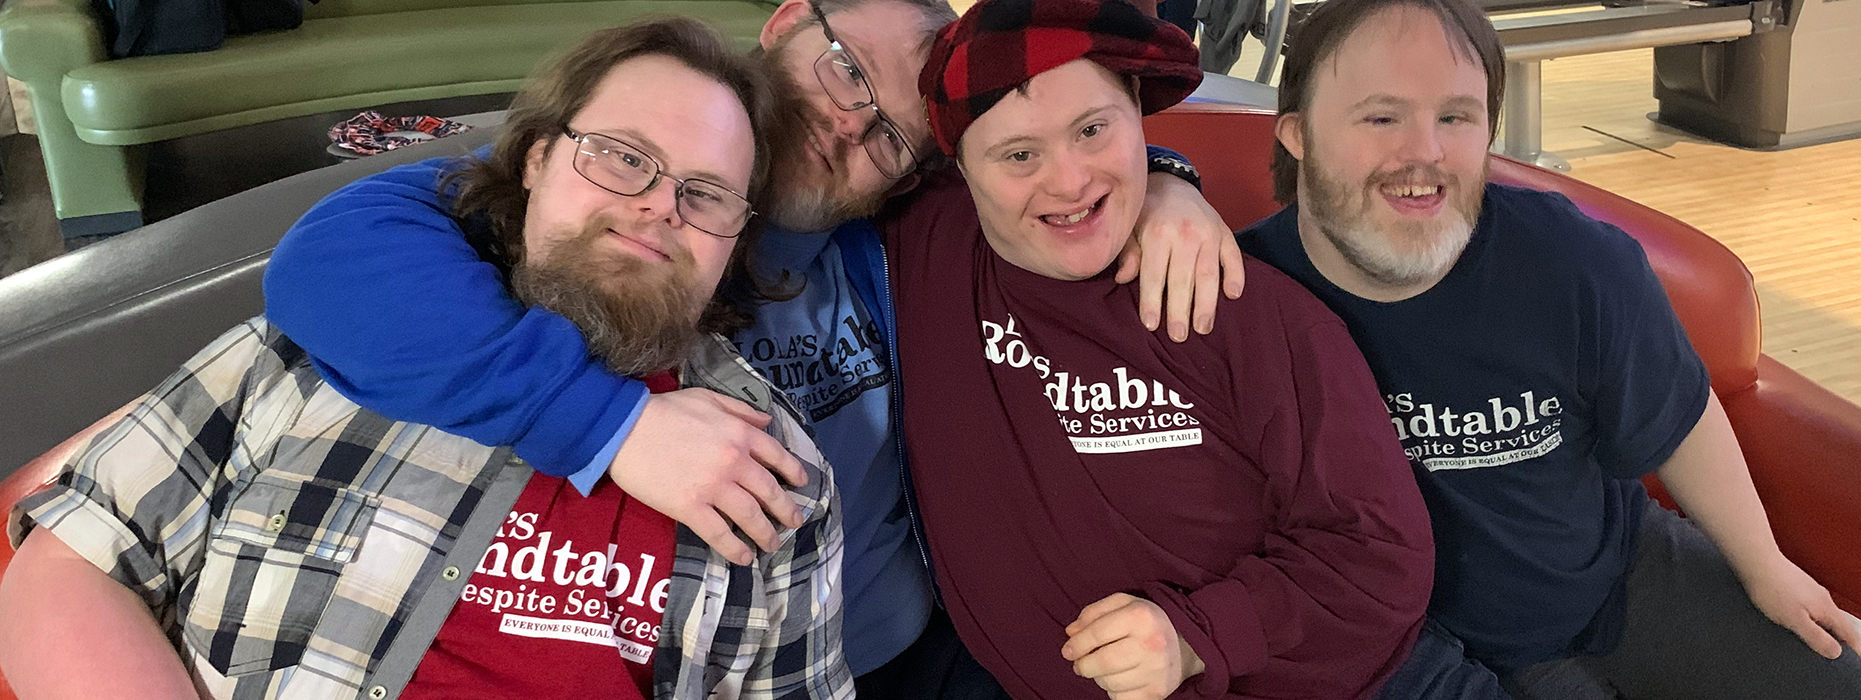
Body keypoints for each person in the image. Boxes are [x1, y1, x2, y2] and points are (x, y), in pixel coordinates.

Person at [251, 0, 1248, 694]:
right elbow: (335, 255)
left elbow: (1038, 168)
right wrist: (610, 424)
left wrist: (1162, 179)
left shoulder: (891, 227)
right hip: (707, 658)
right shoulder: (615, 202)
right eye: (845, 69)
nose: (847, 126)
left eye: (890, 136)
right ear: (784, 24)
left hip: (929, 649)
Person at [0, 17, 850, 700]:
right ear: (537, 160)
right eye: (623, 158)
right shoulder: (337, 332)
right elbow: (71, 564)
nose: (660, 206)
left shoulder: (772, 470)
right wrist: (612, 428)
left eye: (705, 194)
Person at [1234, 0, 1861, 697]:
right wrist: (1171, 187)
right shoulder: (1239, 303)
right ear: (1299, 134)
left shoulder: (1572, 260)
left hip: (1616, 575)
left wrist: (1765, 566)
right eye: (1381, 118)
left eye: (1456, 117)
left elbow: (1676, 412)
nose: (1425, 151)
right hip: (1428, 645)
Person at [878, 0, 1438, 697]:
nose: (1070, 182)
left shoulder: (1244, 306)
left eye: (1093, 130)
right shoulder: (922, 248)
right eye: (1019, 155)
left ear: (1138, 116)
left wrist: (1198, 636)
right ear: (958, 169)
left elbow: (1382, 557)